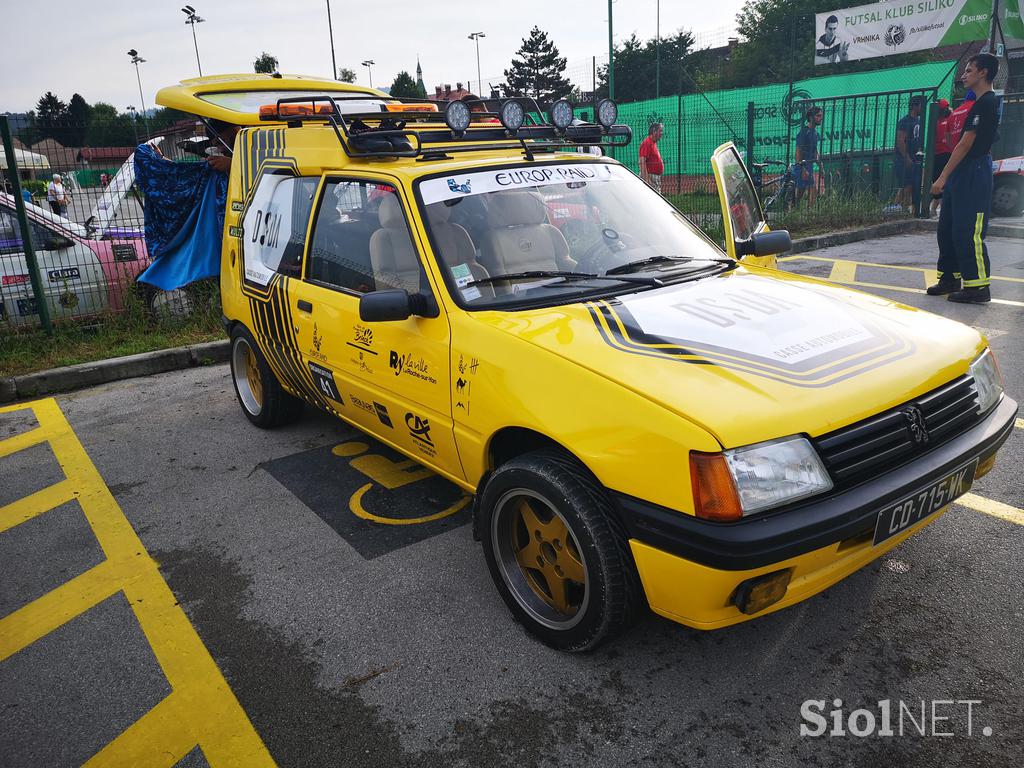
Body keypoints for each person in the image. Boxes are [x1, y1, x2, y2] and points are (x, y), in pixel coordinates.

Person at [928, 54, 1001, 304]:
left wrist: (942, 177)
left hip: (974, 170)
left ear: (983, 73)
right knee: (948, 228)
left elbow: (966, 144)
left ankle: (978, 286)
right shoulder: (974, 105)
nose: (963, 75)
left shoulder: (987, 103)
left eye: (969, 71)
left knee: (969, 230)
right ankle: (949, 277)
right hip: (961, 171)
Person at [890, 95, 923, 212]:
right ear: (914, 106)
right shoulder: (905, 121)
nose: (923, 108)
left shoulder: (919, 121)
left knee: (911, 186)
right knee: (906, 185)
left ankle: (904, 209)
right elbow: (900, 141)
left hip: (915, 158)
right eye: (920, 105)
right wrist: (907, 157)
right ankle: (897, 208)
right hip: (904, 159)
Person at [794, 106, 823, 207]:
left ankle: (793, 209)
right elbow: (798, 153)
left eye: (821, 116)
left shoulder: (815, 133)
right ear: (811, 117)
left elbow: (815, 152)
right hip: (802, 167)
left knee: (800, 193)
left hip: (809, 167)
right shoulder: (803, 132)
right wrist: (802, 169)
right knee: (813, 190)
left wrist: (821, 167)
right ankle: (810, 215)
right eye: (818, 116)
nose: (821, 118)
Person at [929, 99, 953, 217]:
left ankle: (942, 212)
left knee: (938, 182)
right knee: (941, 182)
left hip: (939, 155)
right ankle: (934, 209)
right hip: (947, 154)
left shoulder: (937, 122)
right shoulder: (951, 119)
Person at [639, 122, 664, 193]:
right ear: (654, 131)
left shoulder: (652, 143)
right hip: (650, 178)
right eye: (660, 131)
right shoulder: (647, 143)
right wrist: (646, 180)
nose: (661, 133)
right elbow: (642, 162)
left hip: (654, 178)